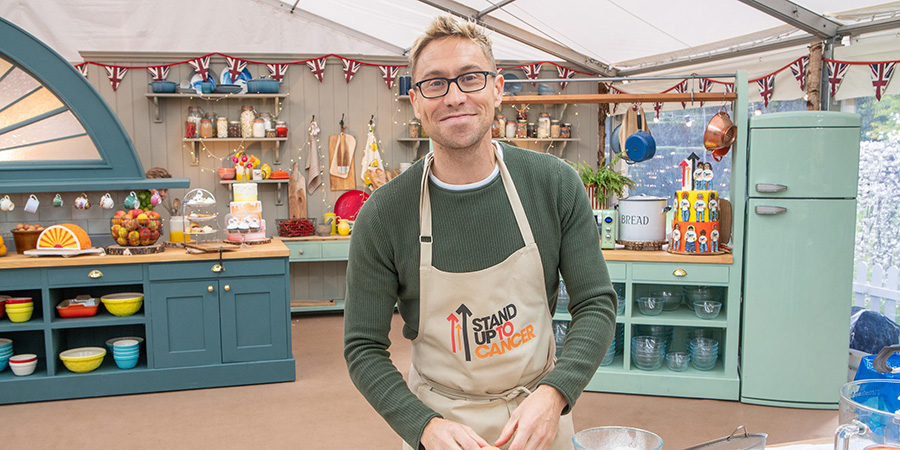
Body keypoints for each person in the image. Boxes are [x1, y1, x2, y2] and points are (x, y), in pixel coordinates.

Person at [343, 16, 617, 450]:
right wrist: (424, 426)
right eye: (435, 84)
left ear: (498, 88)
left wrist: (555, 394)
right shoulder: (383, 215)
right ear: (415, 101)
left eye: (470, 78)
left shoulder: (554, 185)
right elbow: (363, 347)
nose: (455, 97)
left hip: (540, 417)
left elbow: (596, 303)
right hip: (442, 424)